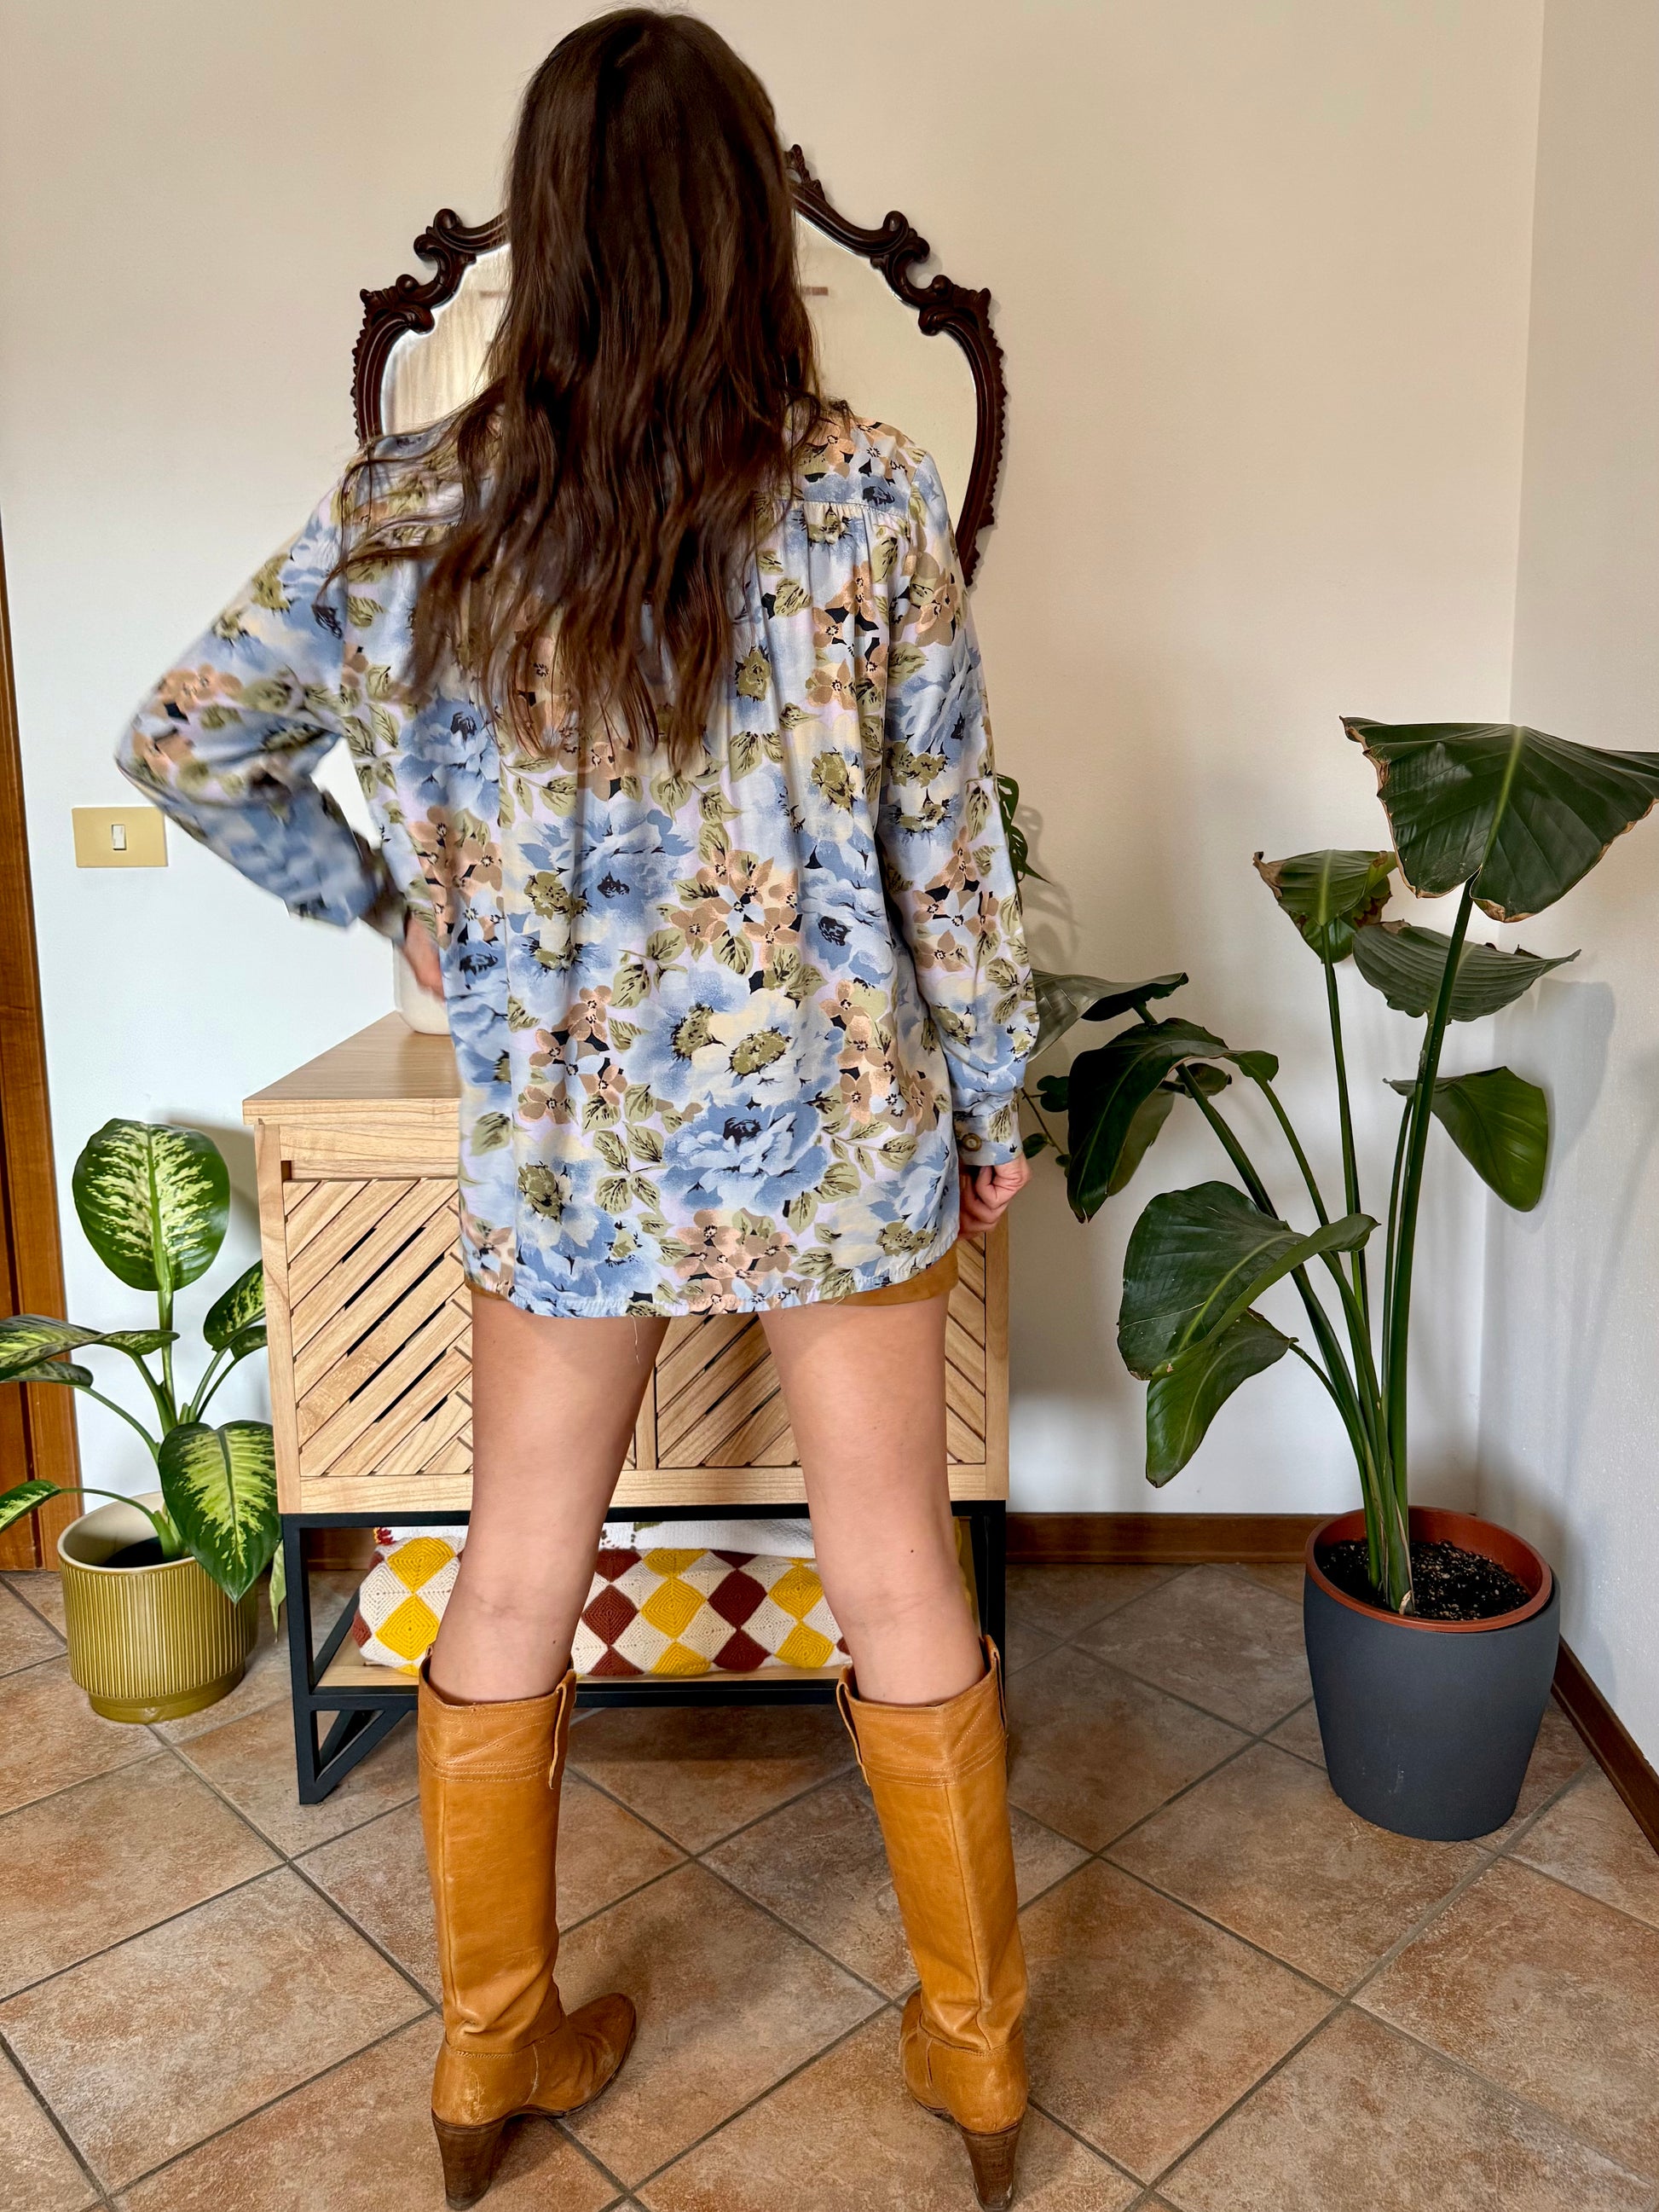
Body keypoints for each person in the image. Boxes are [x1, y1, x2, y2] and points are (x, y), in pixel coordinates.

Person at [118, 11, 1035, 2206]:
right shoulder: (869, 492)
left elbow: (185, 737)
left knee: (516, 1559)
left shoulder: (408, 513)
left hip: (566, 1143)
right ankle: (976, 2051)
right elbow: (945, 848)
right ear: (744, 217)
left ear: (543, 226)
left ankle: (487, 2053)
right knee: (895, 1564)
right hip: (841, 1127)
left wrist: (387, 908)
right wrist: (997, 1098)